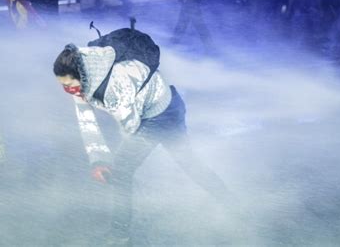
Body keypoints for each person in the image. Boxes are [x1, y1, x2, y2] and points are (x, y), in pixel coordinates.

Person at [53, 42, 231, 244]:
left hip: (163, 112)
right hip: (158, 104)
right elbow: (87, 120)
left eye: (69, 86)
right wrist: (99, 159)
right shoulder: (80, 78)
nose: (67, 91)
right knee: (187, 162)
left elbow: (130, 129)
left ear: (81, 76)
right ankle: (230, 201)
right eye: (63, 86)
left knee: (123, 170)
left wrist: (114, 166)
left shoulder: (114, 86)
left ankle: (120, 234)